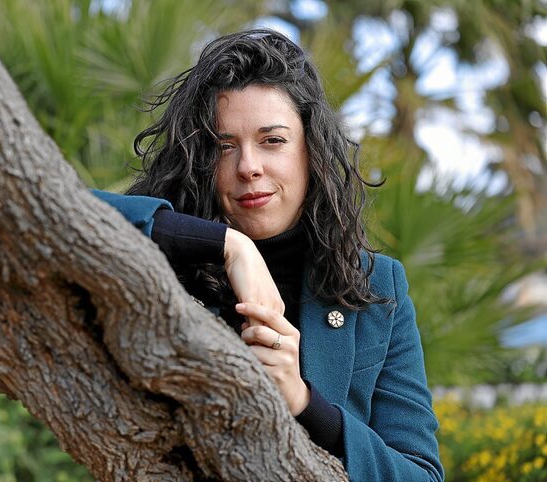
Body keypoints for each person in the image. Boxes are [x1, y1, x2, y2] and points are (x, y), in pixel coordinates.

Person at [93, 29, 444, 482]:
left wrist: (305, 403)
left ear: (311, 150)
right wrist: (228, 245)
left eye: (272, 140)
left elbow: (420, 474)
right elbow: (56, 207)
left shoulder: (377, 286)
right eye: (223, 146)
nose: (248, 167)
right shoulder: (162, 259)